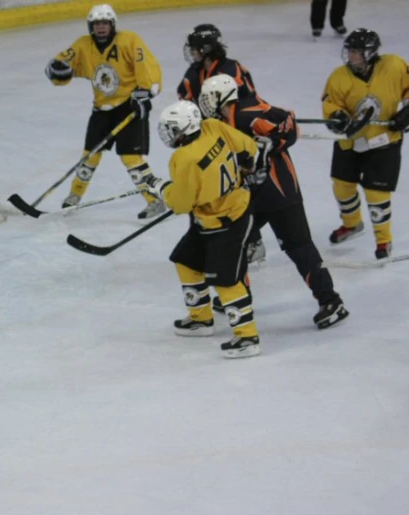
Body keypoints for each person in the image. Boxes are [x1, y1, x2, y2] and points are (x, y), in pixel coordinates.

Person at [199, 74, 349, 329]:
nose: (205, 102)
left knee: (299, 246)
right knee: (235, 243)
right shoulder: (222, 120)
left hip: (280, 192)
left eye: (209, 97)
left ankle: (331, 302)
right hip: (251, 195)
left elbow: (289, 121)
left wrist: (272, 142)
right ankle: (239, 297)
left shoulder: (247, 112)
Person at [141, 100, 261, 358]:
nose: (170, 133)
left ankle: (247, 337)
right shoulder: (213, 125)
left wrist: (159, 187)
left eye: (173, 128)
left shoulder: (183, 158)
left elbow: (181, 204)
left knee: (226, 279)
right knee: (186, 260)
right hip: (218, 214)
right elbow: (249, 147)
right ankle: (201, 318)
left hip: (227, 220)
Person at [45, 4, 165, 220]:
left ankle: (154, 199)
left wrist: (146, 93)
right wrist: (56, 70)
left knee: (131, 158)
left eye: (105, 23)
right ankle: (74, 196)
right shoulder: (83, 45)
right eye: (97, 24)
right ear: (91, 26)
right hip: (101, 110)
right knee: (89, 156)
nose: (101, 28)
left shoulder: (129, 40)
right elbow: (62, 62)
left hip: (129, 107)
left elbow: (146, 66)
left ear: (112, 25)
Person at [176, 23, 266, 263]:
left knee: (238, 193)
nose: (191, 52)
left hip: (235, 139)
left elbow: (247, 104)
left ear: (206, 48)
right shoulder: (193, 74)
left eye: (195, 48)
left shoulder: (231, 70)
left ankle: (253, 242)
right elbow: (185, 103)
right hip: (209, 140)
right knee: (203, 193)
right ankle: (202, 238)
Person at [321, 29, 409, 260]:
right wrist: (338, 119)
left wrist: (407, 113)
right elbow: (331, 107)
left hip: (385, 142)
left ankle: (383, 240)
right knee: (342, 185)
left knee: (376, 192)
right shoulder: (339, 77)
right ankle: (351, 225)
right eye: (349, 51)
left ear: (370, 53)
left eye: (356, 52)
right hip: (351, 143)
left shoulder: (394, 66)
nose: (350, 56)